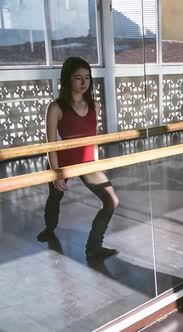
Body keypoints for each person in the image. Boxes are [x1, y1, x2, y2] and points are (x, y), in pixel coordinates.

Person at [37, 56, 119, 259]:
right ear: (67, 80)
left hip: (87, 162)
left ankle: (93, 247)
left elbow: (94, 137)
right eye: (78, 78)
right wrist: (56, 174)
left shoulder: (95, 106)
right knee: (55, 197)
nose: (84, 83)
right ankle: (49, 227)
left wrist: (97, 161)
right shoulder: (55, 107)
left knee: (112, 201)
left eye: (87, 78)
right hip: (62, 163)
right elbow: (51, 144)